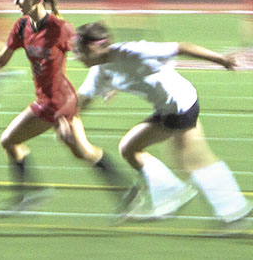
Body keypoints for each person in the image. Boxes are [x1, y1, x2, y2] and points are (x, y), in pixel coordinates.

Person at [73, 21, 252, 229]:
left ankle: (203, 202)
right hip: (171, 107)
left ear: (94, 47)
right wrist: (63, 116)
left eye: (79, 49)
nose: (76, 55)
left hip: (180, 106)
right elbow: (82, 101)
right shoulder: (100, 70)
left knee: (185, 160)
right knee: (138, 149)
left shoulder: (133, 51)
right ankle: (228, 208)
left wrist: (221, 59)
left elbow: (181, 47)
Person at [0, 0, 135, 214]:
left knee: (10, 140)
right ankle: (127, 191)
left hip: (63, 102)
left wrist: (110, 82)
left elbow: (93, 55)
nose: (15, 1)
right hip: (45, 101)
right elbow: (1, 60)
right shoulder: (21, 27)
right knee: (83, 152)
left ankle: (30, 194)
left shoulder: (60, 29)